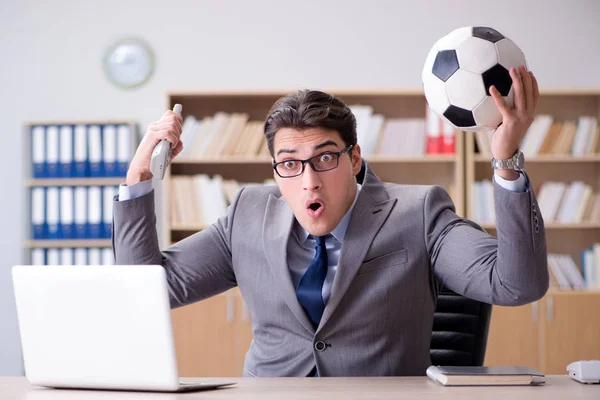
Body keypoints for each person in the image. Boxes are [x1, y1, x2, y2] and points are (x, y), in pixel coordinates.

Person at [113, 65, 548, 377]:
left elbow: (516, 284)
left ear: (354, 158)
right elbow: (148, 288)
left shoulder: (419, 212)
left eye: (324, 158)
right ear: (275, 170)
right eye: (290, 164)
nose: (309, 183)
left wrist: (506, 163)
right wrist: (138, 180)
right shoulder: (247, 213)